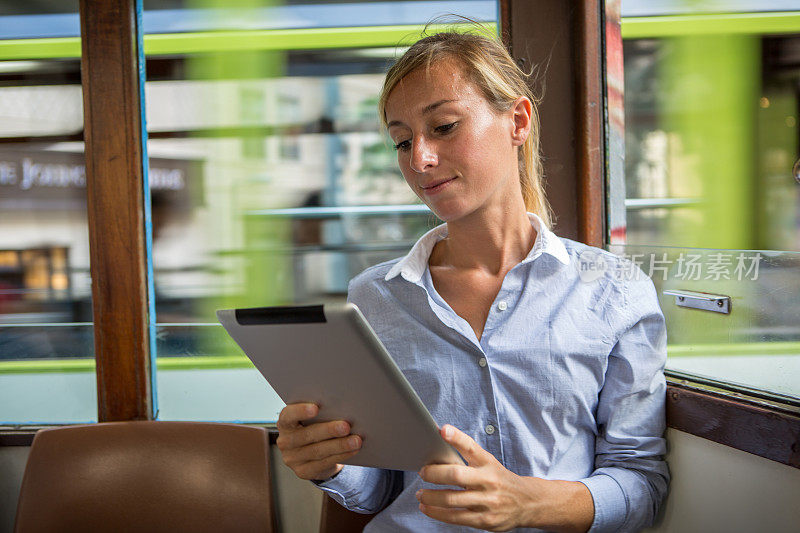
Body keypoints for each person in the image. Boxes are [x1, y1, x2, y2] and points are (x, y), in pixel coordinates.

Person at [276, 29, 668, 533]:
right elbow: (379, 488)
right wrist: (328, 462)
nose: (419, 160)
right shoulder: (375, 298)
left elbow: (640, 481)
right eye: (402, 141)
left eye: (443, 126)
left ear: (517, 121)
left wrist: (531, 503)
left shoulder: (614, 289)